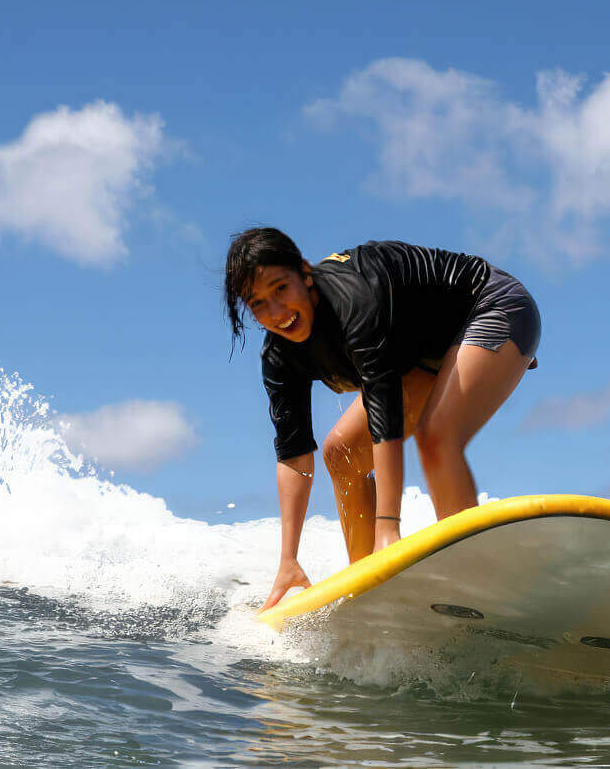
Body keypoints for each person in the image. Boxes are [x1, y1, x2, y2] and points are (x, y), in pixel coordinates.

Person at [223, 228, 541, 611]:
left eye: (280, 289)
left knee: (437, 435)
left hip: (490, 305)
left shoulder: (355, 299)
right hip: (423, 353)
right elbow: (294, 457)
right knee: (340, 453)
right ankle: (370, 591)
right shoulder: (280, 357)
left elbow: (384, 419)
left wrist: (388, 527)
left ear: (305, 274)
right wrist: (288, 559)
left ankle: (472, 584)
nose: (277, 313)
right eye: (257, 303)